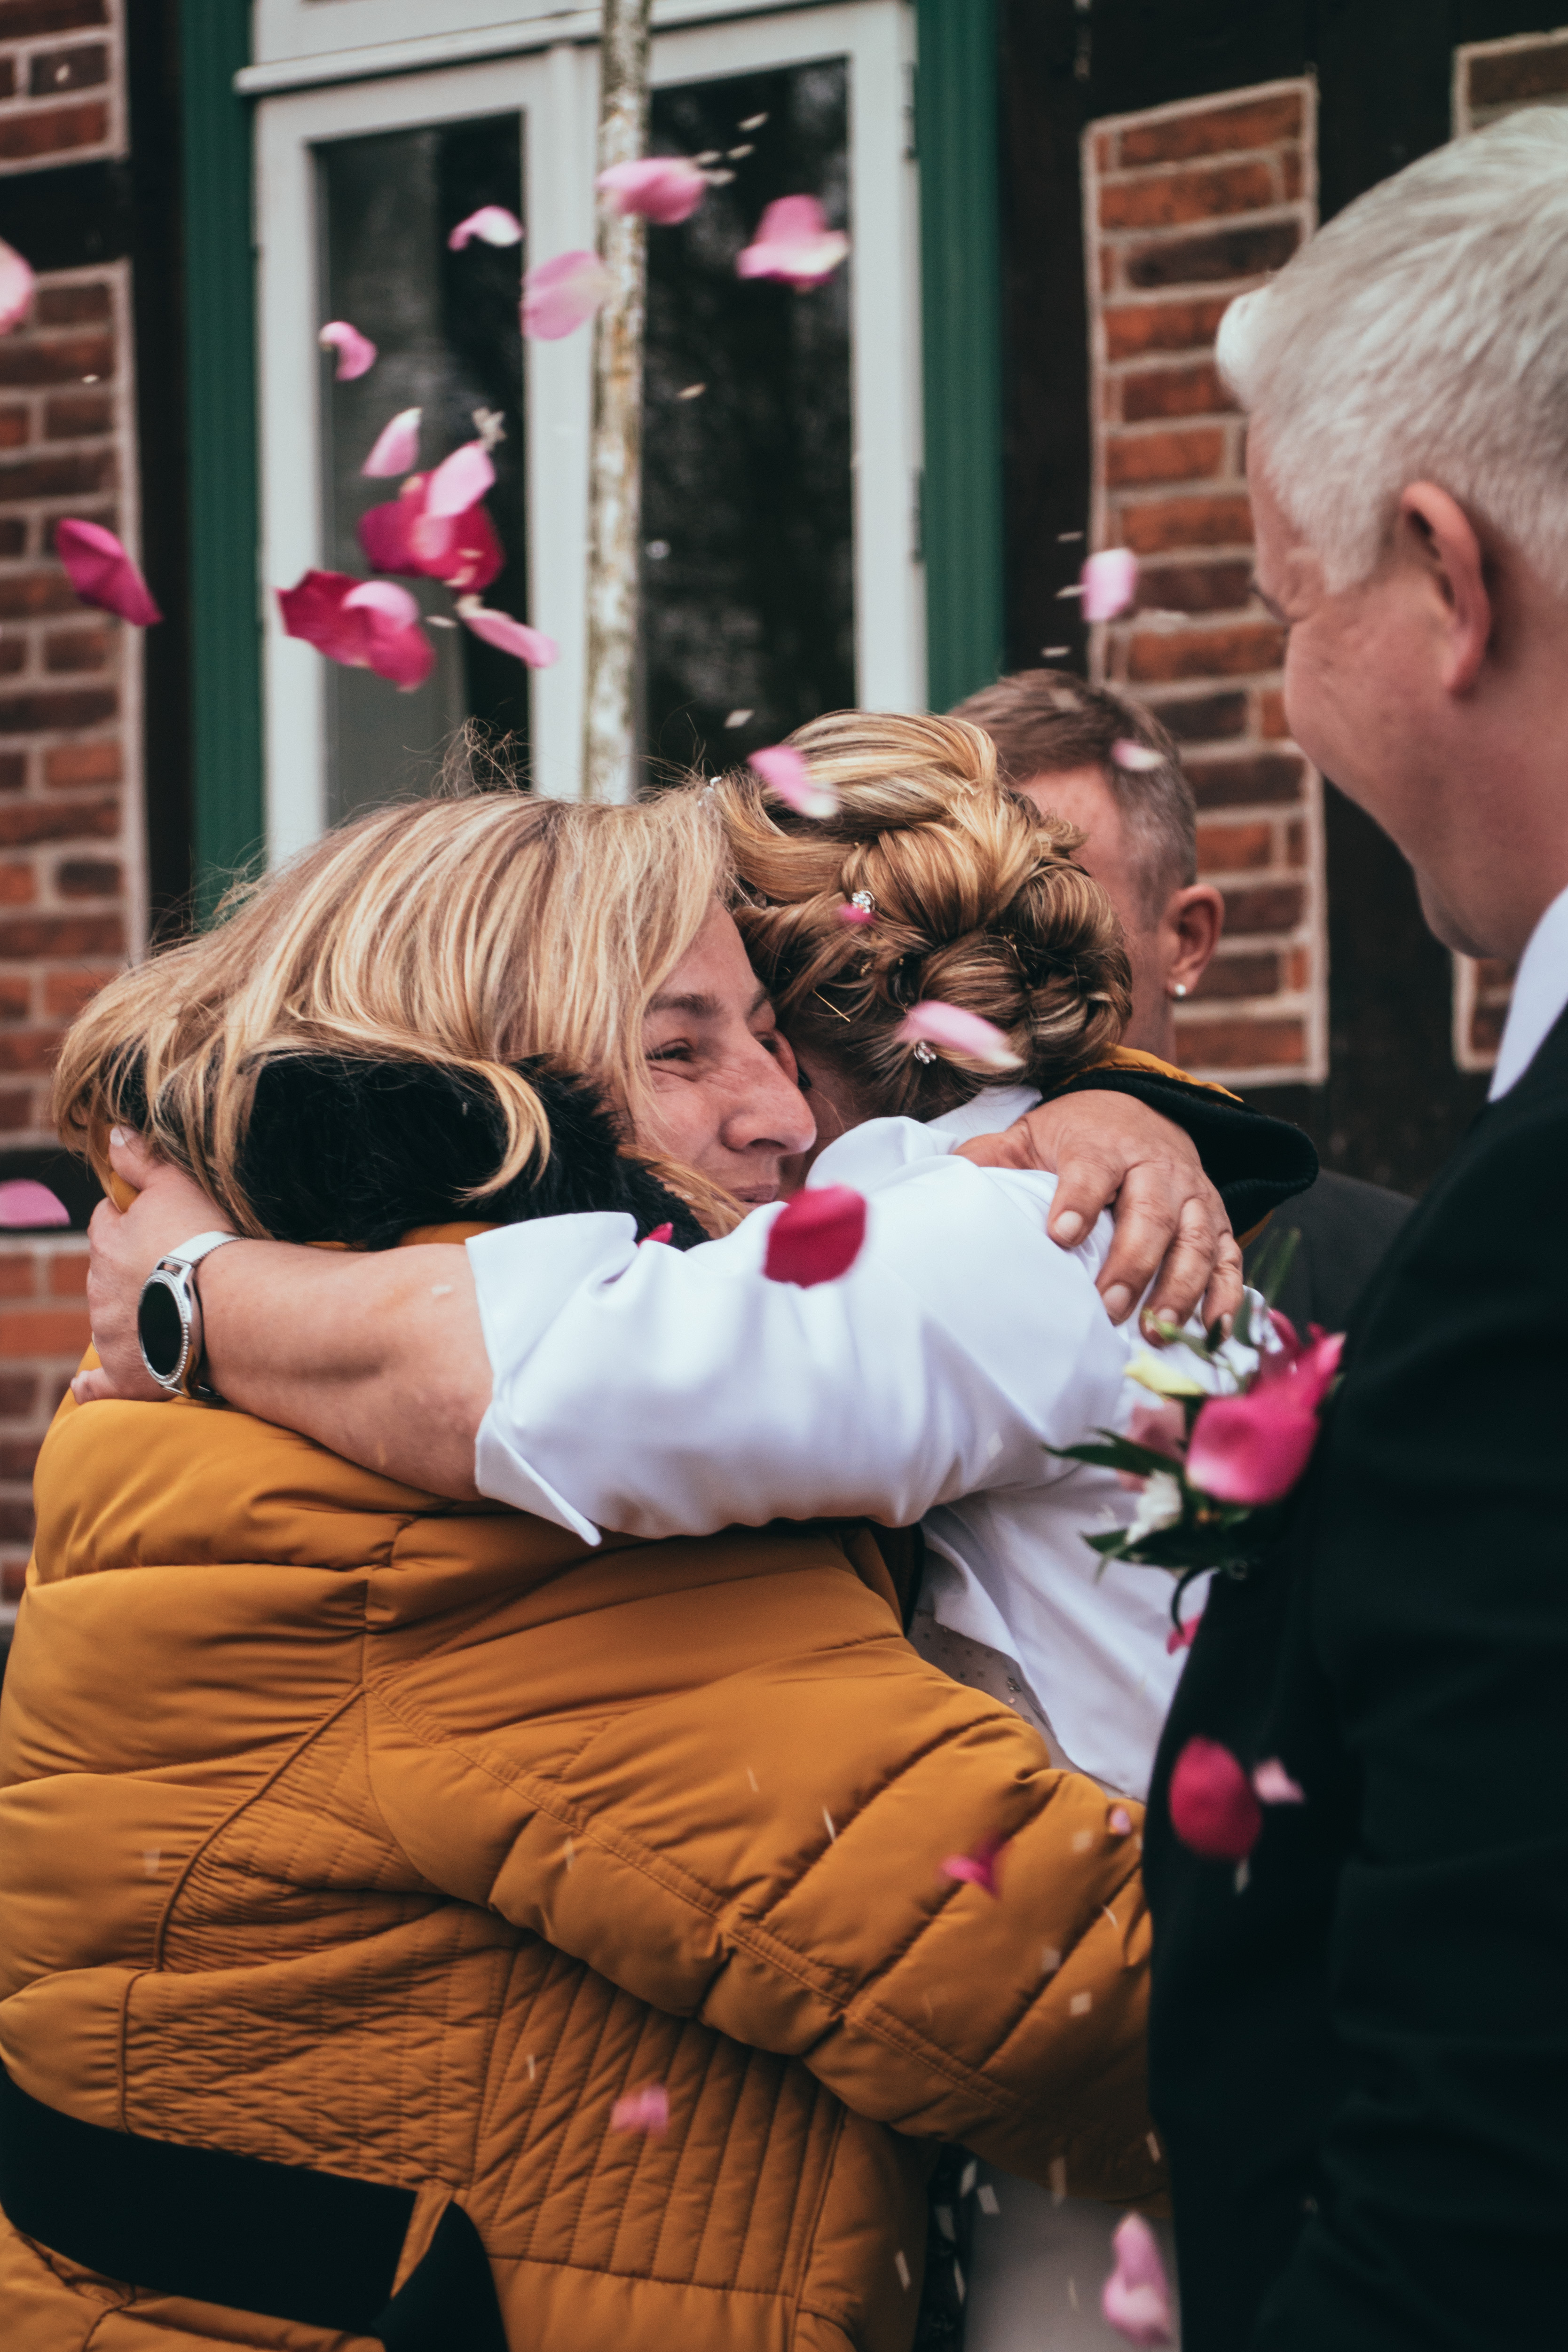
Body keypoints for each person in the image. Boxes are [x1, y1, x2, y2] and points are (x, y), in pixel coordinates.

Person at [70, 718, 1313, 2348]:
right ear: (484, 1066)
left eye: (773, 1038)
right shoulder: (427, 1488)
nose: (774, 1115)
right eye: (679, 1047)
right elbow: (1046, 1993)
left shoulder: (997, 1232)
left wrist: (192, 1289)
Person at [1130, 107, 1568, 2351]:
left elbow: (1494, 2171)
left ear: (1447, 578)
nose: (1287, 700)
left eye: (1293, 608)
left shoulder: (1535, 1244)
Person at [953, 668, 1413, 1333]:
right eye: (956, 918)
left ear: (1188, 940)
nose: (986, 964)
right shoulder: (890, 1221)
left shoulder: (1390, 1275)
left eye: (1053, 907)